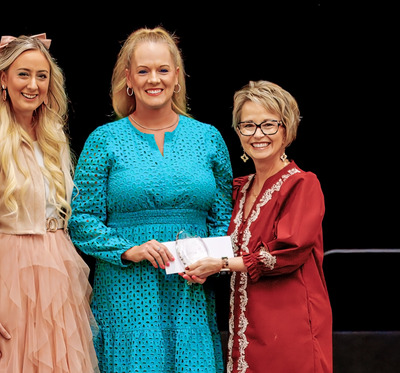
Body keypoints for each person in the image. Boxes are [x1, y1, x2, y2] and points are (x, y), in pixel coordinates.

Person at [68, 26, 233, 373]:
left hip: (190, 293)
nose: (153, 79)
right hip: (125, 292)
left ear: (177, 76)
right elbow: (81, 220)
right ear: (128, 78)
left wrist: (212, 263)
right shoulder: (104, 140)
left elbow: (224, 221)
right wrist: (129, 250)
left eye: (162, 69)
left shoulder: (209, 138)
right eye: (143, 70)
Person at [0, 33, 99, 372]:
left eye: (42, 75)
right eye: (23, 74)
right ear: (3, 78)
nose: (33, 85)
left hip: (56, 269)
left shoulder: (53, 136)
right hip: (10, 276)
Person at [182, 80, 333, 373]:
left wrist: (221, 263)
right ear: (238, 132)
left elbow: (286, 253)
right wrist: (201, 263)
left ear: (286, 130)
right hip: (246, 327)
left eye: (268, 125)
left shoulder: (302, 184)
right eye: (248, 125)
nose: (258, 134)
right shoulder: (238, 188)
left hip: (291, 327)